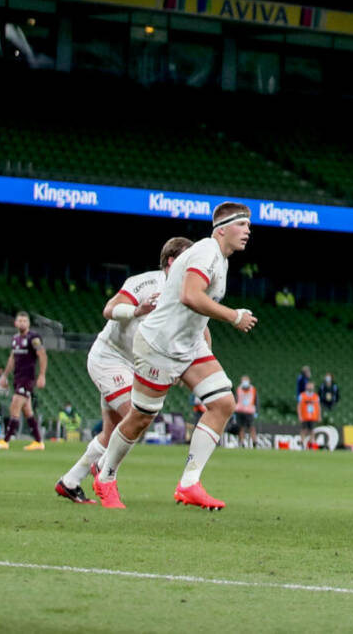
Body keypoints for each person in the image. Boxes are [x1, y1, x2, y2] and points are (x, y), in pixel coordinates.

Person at [93, 203, 259, 510]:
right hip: (160, 346)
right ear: (222, 229)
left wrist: (205, 346)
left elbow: (196, 314)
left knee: (223, 403)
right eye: (242, 224)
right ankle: (105, 477)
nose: (248, 231)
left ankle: (189, 484)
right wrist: (234, 316)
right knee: (140, 418)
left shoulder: (220, 259)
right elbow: (190, 296)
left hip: (188, 345)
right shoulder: (206, 252)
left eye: (249, 226)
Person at [54, 236, 189, 506]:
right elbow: (110, 308)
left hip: (135, 366)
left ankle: (69, 482)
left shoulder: (186, 293)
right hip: (109, 358)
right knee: (136, 418)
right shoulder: (146, 283)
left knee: (112, 434)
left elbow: (196, 332)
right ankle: (104, 471)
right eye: (188, 257)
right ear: (172, 261)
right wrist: (138, 309)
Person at [0, 311, 48, 451]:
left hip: (27, 378)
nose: (22, 323)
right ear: (15, 323)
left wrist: (42, 375)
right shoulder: (15, 339)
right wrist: (5, 375)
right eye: (20, 321)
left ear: (28, 323)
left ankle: (6, 440)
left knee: (15, 405)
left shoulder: (33, 338)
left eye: (25, 321)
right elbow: (12, 358)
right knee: (27, 410)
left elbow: (42, 355)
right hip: (17, 378)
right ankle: (38, 441)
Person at [232, 377, 259, 448]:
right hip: (239, 411)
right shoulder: (239, 389)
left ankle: (254, 442)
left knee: (251, 427)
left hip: (249, 411)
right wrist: (234, 411)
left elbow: (256, 400)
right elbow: (235, 400)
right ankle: (242, 442)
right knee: (241, 427)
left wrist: (257, 411)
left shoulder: (253, 389)